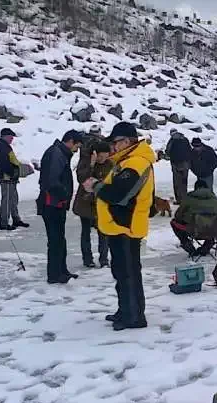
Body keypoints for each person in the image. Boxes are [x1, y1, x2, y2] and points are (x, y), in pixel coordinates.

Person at [84, 122, 156, 332]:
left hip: (126, 226)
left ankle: (133, 315)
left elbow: (120, 194)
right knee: (122, 271)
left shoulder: (136, 162)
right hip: (120, 226)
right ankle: (126, 310)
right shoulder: (128, 162)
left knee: (128, 273)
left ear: (126, 141)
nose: (113, 147)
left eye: (115, 142)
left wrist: (95, 186)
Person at [38, 130, 82, 284]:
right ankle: (54, 274)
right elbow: (51, 181)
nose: (76, 150)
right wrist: (64, 194)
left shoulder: (60, 153)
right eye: (77, 146)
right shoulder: (56, 154)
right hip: (52, 204)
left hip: (58, 204)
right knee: (55, 240)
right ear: (70, 141)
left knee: (60, 239)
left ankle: (62, 270)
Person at [73, 140, 113, 268]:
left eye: (106, 156)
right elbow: (81, 178)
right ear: (95, 154)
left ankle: (104, 259)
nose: (103, 159)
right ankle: (87, 259)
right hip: (85, 202)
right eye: (101, 156)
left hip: (101, 203)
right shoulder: (86, 161)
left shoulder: (109, 164)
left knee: (103, 232)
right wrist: (91, 164)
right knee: (85, 232)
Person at [170, 179, 217, 258]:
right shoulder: (215, 201)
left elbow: (178, 216)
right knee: (211, 226)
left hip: (193, 231)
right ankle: (206, 246)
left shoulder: (189, 199)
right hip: (212, 232)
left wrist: (185, 220)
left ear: (195, 189)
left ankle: (189, 247)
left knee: (173, 222)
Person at [0, 127, 29, 231]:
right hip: (6, 178)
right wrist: (12, 173)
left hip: (10, 177)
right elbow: (3, 163)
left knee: (13, 199)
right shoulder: (1, 147)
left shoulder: (5, 146)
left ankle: (16, 219)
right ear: (5, 136)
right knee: (7, 200)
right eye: (11, 137)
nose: (12, 139)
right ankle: (4, 223)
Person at [165, 129, 191, 204]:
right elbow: (190, 150)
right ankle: (185, 199)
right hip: (186, 164)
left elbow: (168, 152)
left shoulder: (172, 140)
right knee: (184, 182)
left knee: (177, 183)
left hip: (176, 164)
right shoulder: (185, 139)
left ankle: (179, 200)